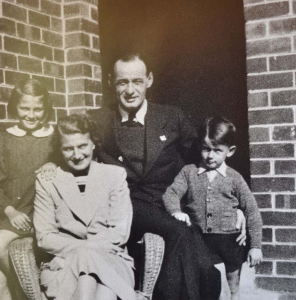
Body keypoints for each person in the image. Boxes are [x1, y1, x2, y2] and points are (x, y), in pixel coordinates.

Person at [88, 52, 246, 300]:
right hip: (127, 206)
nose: (130, 90)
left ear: (149, 80)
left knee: (205, 266)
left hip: (169, 203)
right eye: (122, 82)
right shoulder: (97, 120)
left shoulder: (171, 118)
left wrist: (228, 203)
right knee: (180, 232)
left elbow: (205, 162)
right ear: (111, 82)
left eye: (137, 81)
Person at [33, 114, 136, 300]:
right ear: (60, 149)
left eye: (82, 146)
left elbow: (119, 232)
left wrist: (80, 254)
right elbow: (44, 237)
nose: (77, 155)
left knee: (102, 291)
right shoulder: (48, 181)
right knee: (97, 288)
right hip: (63, 267)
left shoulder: (115, 175)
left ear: (93, 143)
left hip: (110, 260)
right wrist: (81, 254)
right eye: (68, 149)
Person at [163, 116, 263, 300]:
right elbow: (171, 194)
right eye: (206, 149)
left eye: (217, 151)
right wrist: (176, 212)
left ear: (230, 151)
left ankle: (235, 296)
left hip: (229, 238)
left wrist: (255, 246)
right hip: (199, 237)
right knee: (206, 276)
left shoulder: (234, 178)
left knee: (232, 277)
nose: (210, 156)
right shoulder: (189, 172)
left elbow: (252, 210)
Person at [0, 79, 54, 300]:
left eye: (37, 109)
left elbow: (66, 163)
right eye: (24, 108)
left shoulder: (53, 138)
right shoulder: (4, 138)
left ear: (45, 109)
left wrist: (54, 163)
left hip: (38, 211)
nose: (31, 115)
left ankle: (32, 294)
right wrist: (10, 211)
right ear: (15, 107)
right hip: (9, 210)